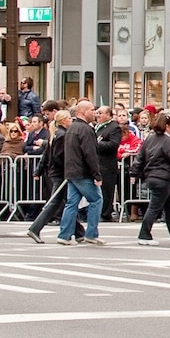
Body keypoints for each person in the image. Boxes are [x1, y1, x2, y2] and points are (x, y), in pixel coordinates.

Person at [131, 112, 170, 246]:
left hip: (152, 176)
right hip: (163, 177)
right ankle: (144, 234)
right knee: (155, 207)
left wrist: (134, 173)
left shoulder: (150, 139)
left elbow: (140, 157)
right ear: (167, 126)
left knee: (169, 206)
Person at [27, 110, 84, 243]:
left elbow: (46, 154)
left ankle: (79, 232)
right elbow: (58, 156)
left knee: (67, 202)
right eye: (69, 118)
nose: (71, 120)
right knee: (56, 202)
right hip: (60, 173)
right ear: (63, 121)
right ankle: (35, 228)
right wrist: (68, 168)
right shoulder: (62, 135)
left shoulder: (56, 134)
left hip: (57, 172)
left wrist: (39, 170)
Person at [57, 99, 106, 245]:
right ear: (84, 112)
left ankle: (64, 235)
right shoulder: (86, 129)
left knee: (71, 203)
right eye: (92, 110)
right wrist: (96, 174)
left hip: (72, 171)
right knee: (96, 200)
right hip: (83, 172)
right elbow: (90, 154)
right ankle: (91, 233)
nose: (95, 113)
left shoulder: (71, 127)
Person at [95, 105, 122, 222]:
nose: (98, 115)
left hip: (107, 164)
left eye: (100, 113)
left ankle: (105, 213)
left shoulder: (114, 127)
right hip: (96, 163)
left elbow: (113, 144)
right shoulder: (96, 127)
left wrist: (96, 144)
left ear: (108, 115)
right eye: (97, 113)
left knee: (106, 190)